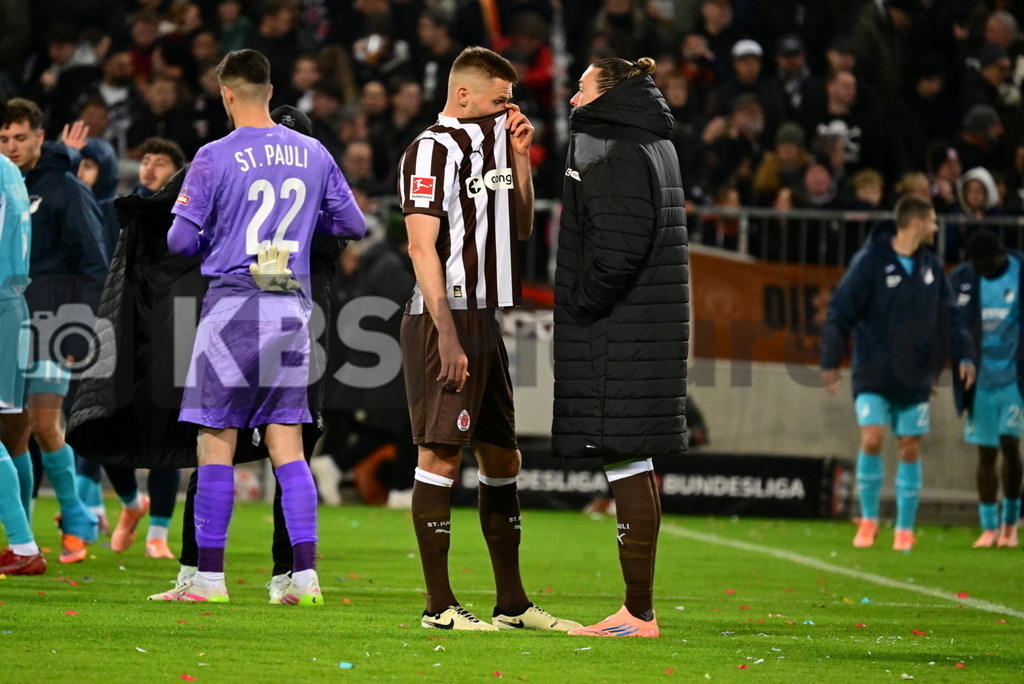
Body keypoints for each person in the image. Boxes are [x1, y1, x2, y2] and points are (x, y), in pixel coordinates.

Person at [164, 49, 365, 603]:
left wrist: (218, 238)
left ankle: (207, 579)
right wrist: (300, 230)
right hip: (288, 305)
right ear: (271, 92)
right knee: (290, 448)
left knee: (216, 445)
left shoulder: (213, 155)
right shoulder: (313, 151)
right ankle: (302, 578)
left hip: (233, 305)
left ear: (226, 94)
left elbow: (179, 241)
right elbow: (354, 222)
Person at [398, 46, 578, 632]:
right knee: (441, 455)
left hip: (485, 322)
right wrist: (446, 332)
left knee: (503, 456)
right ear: (464, 95)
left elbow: (520, 225)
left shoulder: (498, 143)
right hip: (444, 318)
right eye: (501, 99)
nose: (510, 108)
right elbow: (421, 246)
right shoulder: (431, 148)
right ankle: (438, 607)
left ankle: (512, 605)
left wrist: (522, 160)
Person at [554, 56, 688, 639]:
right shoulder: (653, 141)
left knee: (629, 460)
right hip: (645, 327)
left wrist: (581, 302)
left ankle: (638, 614)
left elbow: (618, 248)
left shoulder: (610, 146)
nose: (572, 98)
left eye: (581, 88)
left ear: (609, 93)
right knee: (634, 460)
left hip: (622, 330)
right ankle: (638, 610)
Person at [0, 96, 106, 564]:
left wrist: (78, 330)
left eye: (21, 137)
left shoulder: (62, 186)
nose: (12, 146)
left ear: (40, 137)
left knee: (44, 425)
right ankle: (23, 536)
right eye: (4, 139)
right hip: (16, 320)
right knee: (14, 433)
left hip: (50, 320)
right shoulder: (8, 185)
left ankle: (75, 517)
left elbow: (93, 263)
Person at [821, 196, 950, 552]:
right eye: (933, 221)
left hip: (914, 376)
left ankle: (905, 528)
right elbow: (841, 309)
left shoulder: (932, 267)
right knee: (872, 438)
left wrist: (936, 364)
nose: (936, 228)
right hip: (873, 371)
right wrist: (831, 361)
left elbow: (945, 318)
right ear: (915, 223)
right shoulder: (870, 263)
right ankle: (869, 520)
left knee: (909, 445)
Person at [950, 230, 1023, 548]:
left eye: (987, 263)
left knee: (1010, 445)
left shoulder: (1020, 270)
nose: (982, 269)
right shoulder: (963, 278)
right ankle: (988, 527)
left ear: (1000, 255)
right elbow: (956, 324)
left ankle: (1010, 524)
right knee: (985, 452)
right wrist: (964, 356)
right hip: (979, 382)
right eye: (976, 264)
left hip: (1014, 380)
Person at [0, 91, 46, 576]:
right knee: (13, 436)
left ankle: (25, 544)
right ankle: (22, 541)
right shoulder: (11, 172)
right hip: (14, 304)